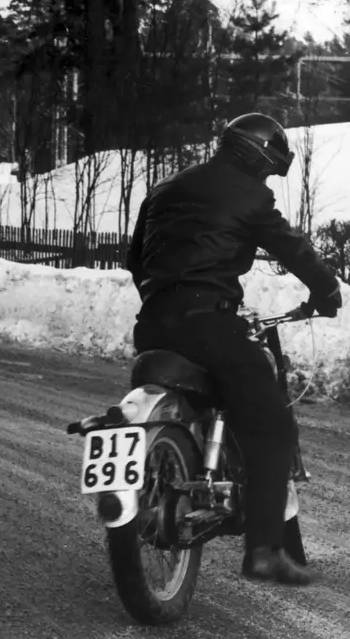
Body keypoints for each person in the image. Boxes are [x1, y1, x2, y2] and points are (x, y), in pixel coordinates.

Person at [126, 112, 341, 586]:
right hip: (209, 323)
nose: (266, 177)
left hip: (154, 326)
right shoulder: (249, 194)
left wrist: (167, 297)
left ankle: (192, 464)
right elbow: (293, 247)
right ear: (258, 155)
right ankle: (263, 551)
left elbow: (134, 257)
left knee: (215, 393)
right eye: (268, 167)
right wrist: (327, 293)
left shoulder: (164, 189)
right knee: (272, 426)